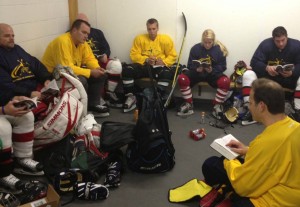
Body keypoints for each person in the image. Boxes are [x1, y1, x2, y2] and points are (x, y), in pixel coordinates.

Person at [201, 78, 300, 206]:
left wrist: (229, 161)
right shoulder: (294, 126)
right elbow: (281, 156)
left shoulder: (267, 142)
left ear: (261, 106)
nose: (249, 107)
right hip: (290, 188)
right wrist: (247, 150)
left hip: (280, 200)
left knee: (211, 165)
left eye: (251, 102)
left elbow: (243, 186)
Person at [42, 19, 109, 117]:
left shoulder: (83, 43)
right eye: (84, 32)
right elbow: (66, 69)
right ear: (74, 30)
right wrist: (90, 72)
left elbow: (90, 58)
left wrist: (97, 68)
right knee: (81, 80)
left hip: (69, 73)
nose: (86, 36)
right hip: (54, 77)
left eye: (87, 33)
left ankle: (92, 106)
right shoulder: (63, 41)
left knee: (100, 76)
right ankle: (80, 110)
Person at [242, 26, 300, 124]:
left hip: (289, 80)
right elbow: (254, 62)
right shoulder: (266, 44)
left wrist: (293, 72)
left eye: (283, 40)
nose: (281, 43)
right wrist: (266, 68)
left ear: (287, 37)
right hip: (269, 80)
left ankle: (298, 111)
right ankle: (250, 109)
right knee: (248, 74)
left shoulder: (296, 45)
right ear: (273, 39)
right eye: (277, 41)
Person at [121, 18, 177, 112]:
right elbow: (133, 55)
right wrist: (146, 59)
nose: (151, 31)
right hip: (144, 66)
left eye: (153, 29)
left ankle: (157, 98)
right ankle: (131, 97)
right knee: (127, 70)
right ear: (147, 29)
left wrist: (163, 61)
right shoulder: (139, 38)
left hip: (158, 67)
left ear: (157, 28)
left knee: (167, 74)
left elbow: (173, 55)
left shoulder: (165, 39)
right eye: (149, 29)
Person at [177, 29, 230, 118]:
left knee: (225, 81)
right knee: (182, 78)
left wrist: (212, 70)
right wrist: (196, 69)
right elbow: (189, 65)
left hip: (211, 74)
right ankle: (189, 104)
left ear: (213, 41)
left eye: (209, 42)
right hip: (198, 73)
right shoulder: (195, 48)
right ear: (202, 40)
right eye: (205, 42)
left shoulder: (219, 49)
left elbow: (223, 66)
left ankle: (216, 106)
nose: (207, 45)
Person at [76, 13, 123, 108]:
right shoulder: (72, 35)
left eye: (86, 22)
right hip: (84, 63)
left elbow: (106, 47)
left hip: (99, 60)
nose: (86, 35)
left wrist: (105, 54)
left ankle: (109, 93)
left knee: (117, 65)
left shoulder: (97, 32)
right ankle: (97, 98)